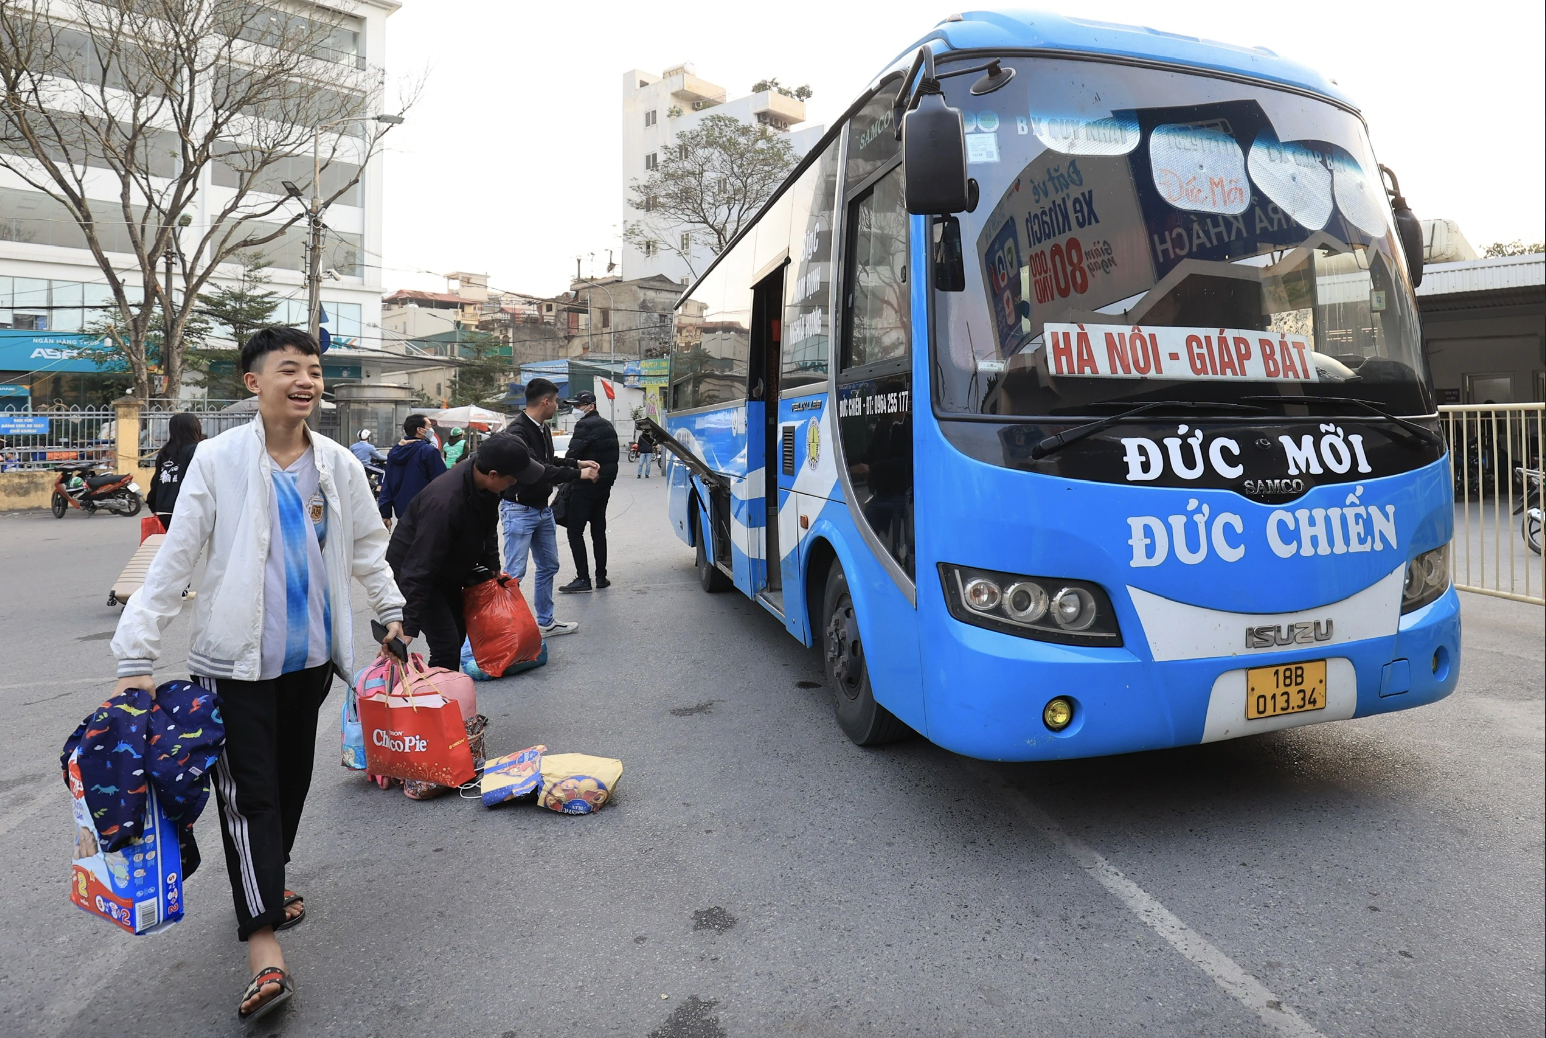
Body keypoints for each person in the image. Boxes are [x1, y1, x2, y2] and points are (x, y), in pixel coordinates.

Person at [109, 327, 407, 1022]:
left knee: (291, 786)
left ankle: (266, 884)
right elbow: (175, 558)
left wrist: (390, 611)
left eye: (314, 371)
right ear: (254, 382)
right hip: (232, 667)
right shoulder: (217, 461)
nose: (306, 382)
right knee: (250, 799)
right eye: (289, 369)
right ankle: (264, 949)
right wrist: (136, 656)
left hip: (309, 663)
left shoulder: (336, 463)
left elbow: (368, 545)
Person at [387, 436, 596, 668]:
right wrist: (409, 624)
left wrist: (492, 562)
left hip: (446, 567)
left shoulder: (484, 482)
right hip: (416, 571)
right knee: (446, 644)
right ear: (493, 474)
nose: (516, 482)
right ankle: (441, 689)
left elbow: (488, 524)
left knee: (457, 633)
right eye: (513, 477)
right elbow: (420, 565)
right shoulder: (445, 503)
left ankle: (446, 684)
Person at [494, 378, 587, 636]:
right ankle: (503, 631)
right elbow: (538, 469)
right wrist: (578, 474)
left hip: (542, 509)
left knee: (549, 565)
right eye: (555, 401)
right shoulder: (517, 432)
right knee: (514, 573)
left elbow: (548, 460)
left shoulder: (542, 428)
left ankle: (546, 621)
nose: (557, 405)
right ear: (546, 401)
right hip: (519, 510)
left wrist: (577, 463)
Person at [558, 391, 619, 593]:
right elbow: (613, 460)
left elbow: (572, 454)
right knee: (598, 531)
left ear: (590, 406)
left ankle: (583, 578)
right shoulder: (608, 425)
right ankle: (601, 576)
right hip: (603, 487)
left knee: (575, 531)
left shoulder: (584, 425)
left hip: (584, 486)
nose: (575, 410)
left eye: (578, 406)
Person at [378, 414, 447, 528]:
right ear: (420, 430)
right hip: (426, 511)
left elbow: (387, 484)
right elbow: (442, 483)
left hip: (402, 512)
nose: (431, 430)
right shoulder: (429, 452)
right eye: (429, 426)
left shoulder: (394, 453)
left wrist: (385, 514)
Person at [147, 412, 203, 532]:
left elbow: (156, 481)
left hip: (163, 510)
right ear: (195, 428)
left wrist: (153, 505)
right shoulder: (196, 450)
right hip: (185, 509)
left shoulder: (165, 452)